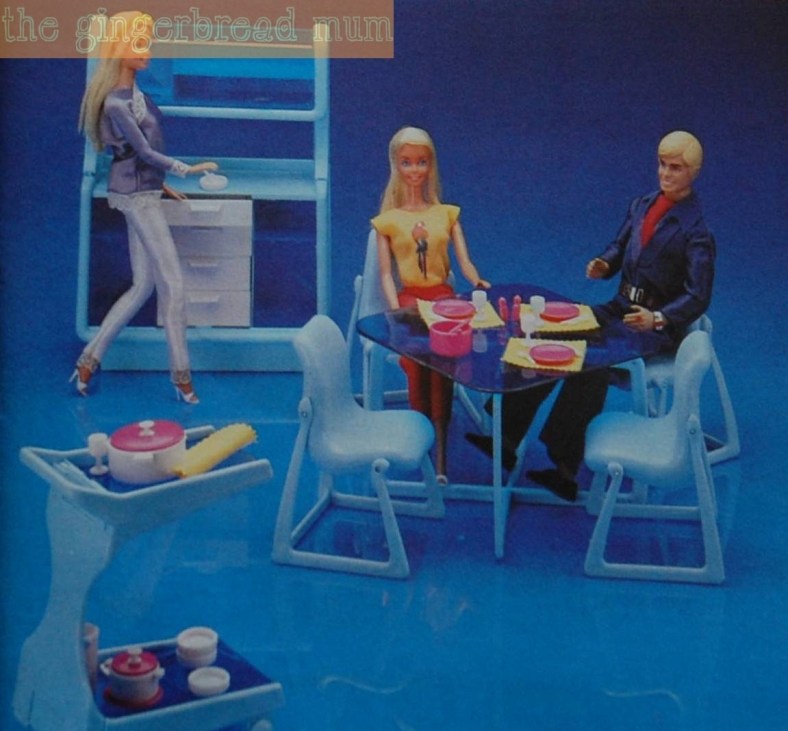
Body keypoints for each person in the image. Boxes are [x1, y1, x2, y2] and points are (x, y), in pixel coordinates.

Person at [466, 130, 715, 501]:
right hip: (620, 307)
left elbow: (698, 296)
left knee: (590, 361)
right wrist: (604, 263)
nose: (666, 173)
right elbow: (620, 245)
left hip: (652, 326)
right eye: (662, 164)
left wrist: (658, 317)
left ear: (693, 171)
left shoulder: (696, 232)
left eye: (675, 168)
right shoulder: (643, 205)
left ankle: (566, 468)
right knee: (551, 332)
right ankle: (507, 436)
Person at [72, 11, 218, 403]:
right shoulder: (116, 104)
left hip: (144, 191)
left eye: (147, 41)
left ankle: (88, 362)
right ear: (119, 48)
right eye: (138, 42)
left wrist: (161, 184)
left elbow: (137, 157)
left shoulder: (136, 96)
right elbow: (143, 152)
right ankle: (182, 377)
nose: (147, 49)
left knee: (143, 286)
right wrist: (188, 169)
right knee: (174, 285)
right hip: (137, 197)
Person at [371, 126, 491, 478]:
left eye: (421, 162)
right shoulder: (387, 221)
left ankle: (440, 447)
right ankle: (420, 434)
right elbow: (385, 275)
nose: (414, 170)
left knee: (444, 361)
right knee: (416, 360)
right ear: (396, 165)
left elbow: (464, 261)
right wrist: (394, 308)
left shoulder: (446, 214)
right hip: (410, 301)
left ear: (431, 165)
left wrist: (476, 280)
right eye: (407, 162)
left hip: (444, 301)